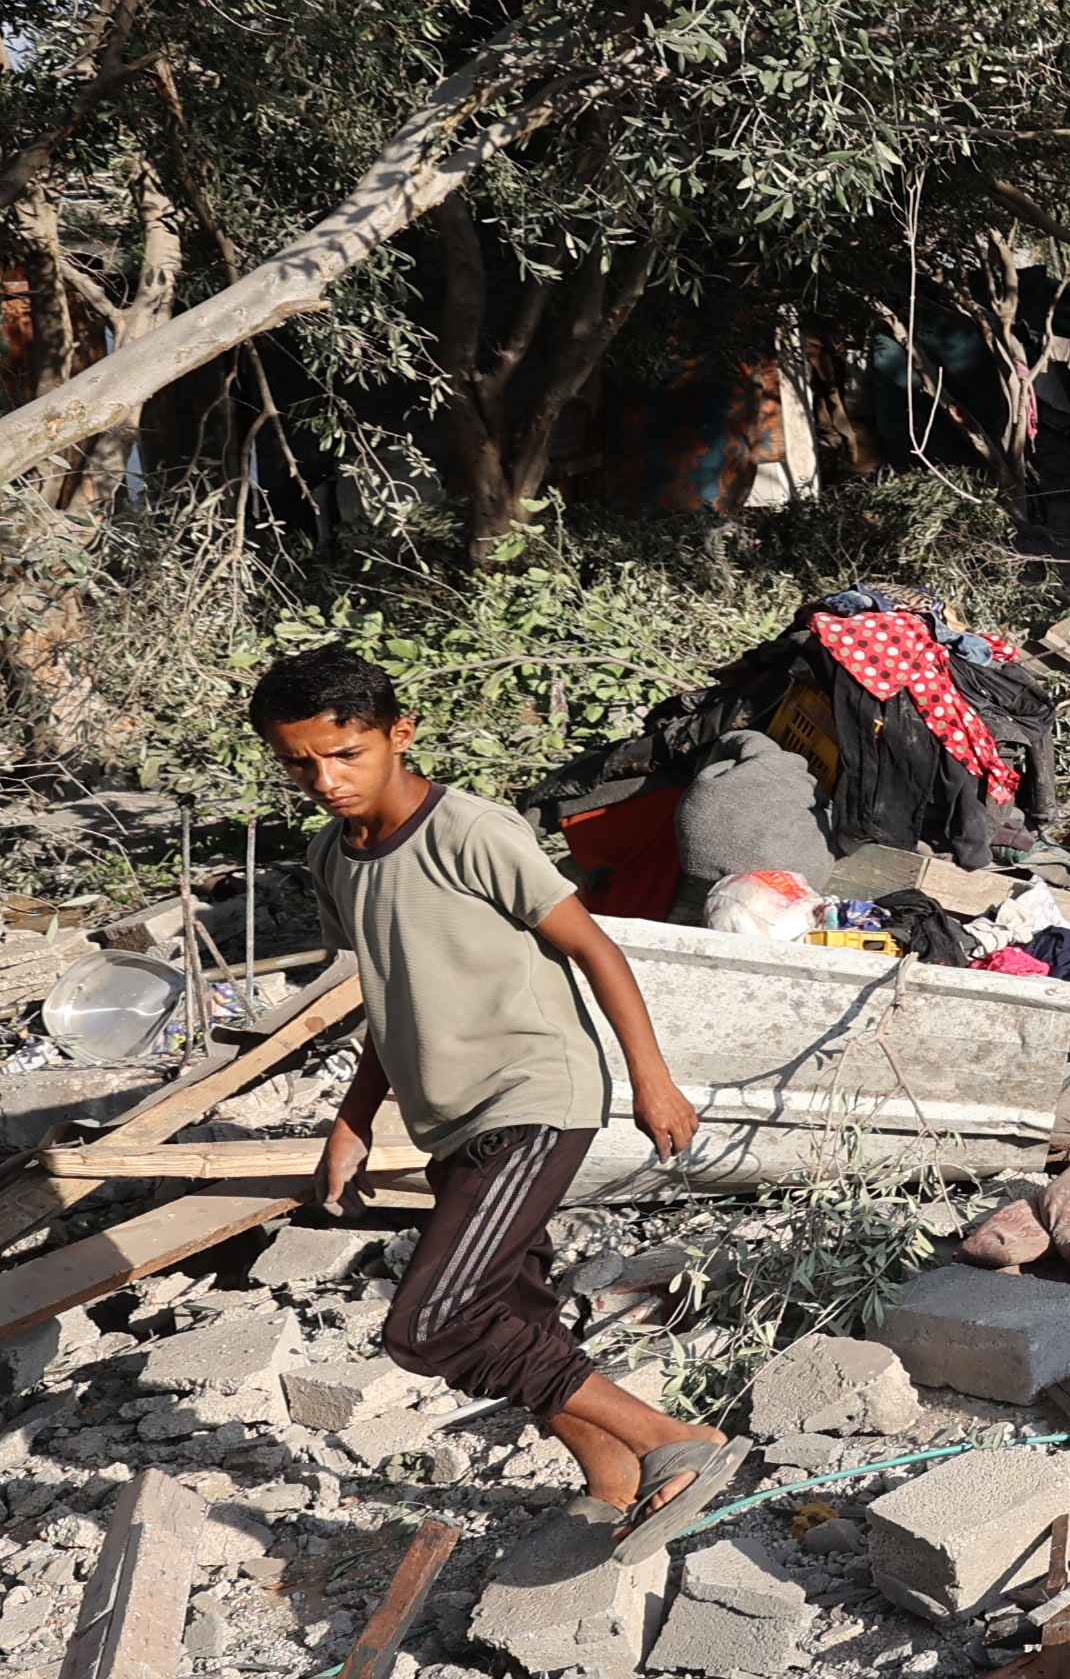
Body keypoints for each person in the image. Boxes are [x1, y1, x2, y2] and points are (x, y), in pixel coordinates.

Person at [250, 643, 736, 1552]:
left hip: (533, 1096)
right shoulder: (334, 858)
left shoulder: (470, 832)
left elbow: (597, 950)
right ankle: (612, 1472)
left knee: (433, 1320)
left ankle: (675, 1440)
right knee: (511, 1311)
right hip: (453, 1120)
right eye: (299, 761)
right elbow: (391, 995)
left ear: (400, 734)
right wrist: (351, 1123)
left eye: (345, 752)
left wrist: (652, 1079)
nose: (324, 778)